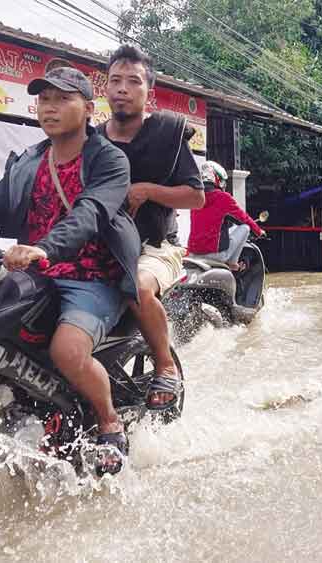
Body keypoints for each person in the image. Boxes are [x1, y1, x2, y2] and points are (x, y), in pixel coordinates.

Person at [0, 67, 140, 468]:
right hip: (33, 276)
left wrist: (42, 248)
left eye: (62, 99)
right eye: (44, 99)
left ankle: (109, 422)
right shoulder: (27, 162)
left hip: (91, 276)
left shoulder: (109, 160)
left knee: (68, 351)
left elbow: (90, 214)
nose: (50, 108)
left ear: (87, 108)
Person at [97, 44, 205, 410]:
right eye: (115, 80)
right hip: (101, 244)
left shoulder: (167, 136)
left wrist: (147, 191)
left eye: (133, 81)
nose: (123, 89)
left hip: (156, 247)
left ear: (149, 92)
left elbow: (196, 197)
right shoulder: (91, 141)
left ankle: (165, 364)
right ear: (105, 88)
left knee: (136, 287)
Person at [187, 161, 265, 268]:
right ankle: (232, 263)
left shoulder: (195, 197)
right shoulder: (223, 197)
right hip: (215, 255)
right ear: (217, 178)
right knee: (245, 227)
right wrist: (258, 231)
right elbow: (244, 219)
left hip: (193, 254)